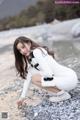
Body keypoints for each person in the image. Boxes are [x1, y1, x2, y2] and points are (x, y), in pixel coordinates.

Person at [13, 36, 78, 108]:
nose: (22, 51)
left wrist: (37, 74)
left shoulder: (36, 52)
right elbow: (27, 79)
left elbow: (49, 73)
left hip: (68, 79)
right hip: (71, 77)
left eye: (23, 47)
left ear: (29, 43)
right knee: (33, 77)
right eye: (20, 50)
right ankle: (59, 92)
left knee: (35, 78)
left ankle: (62, 95)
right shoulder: (33, 57)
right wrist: (22, 97)